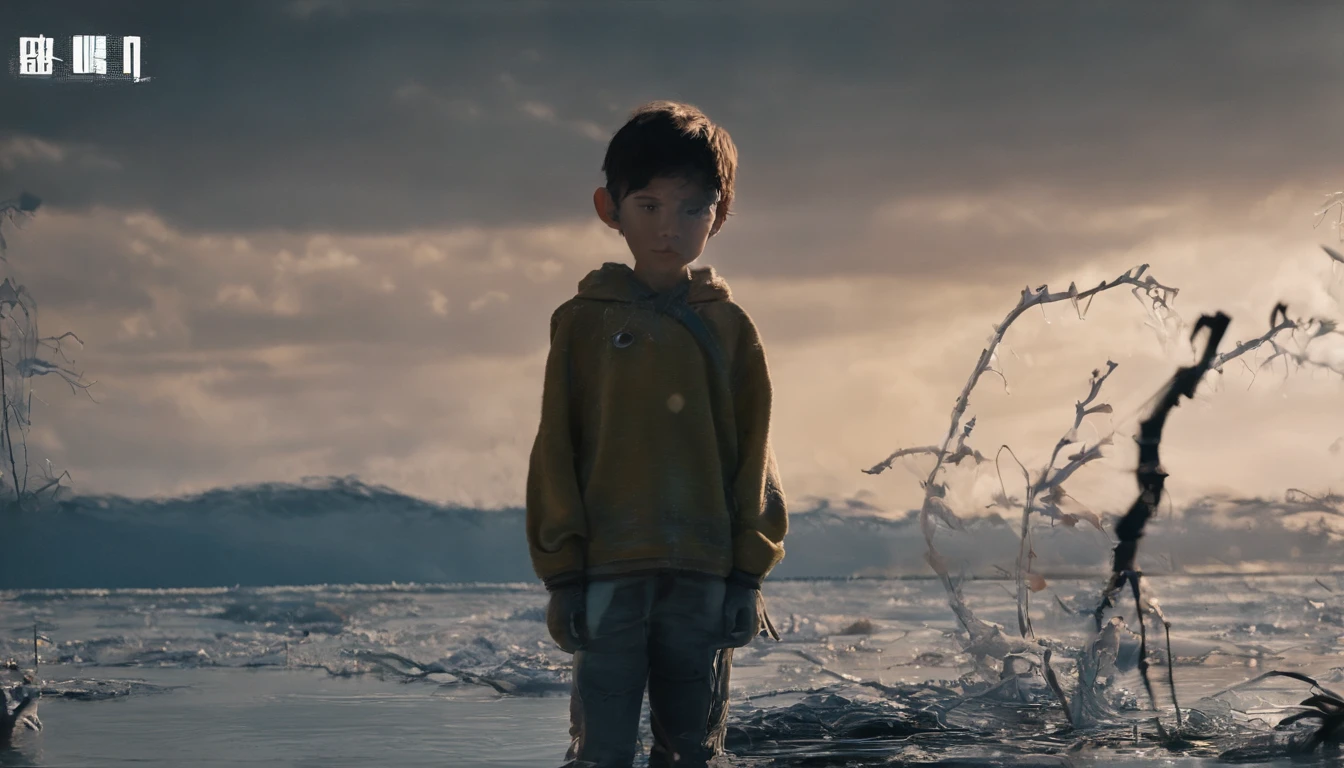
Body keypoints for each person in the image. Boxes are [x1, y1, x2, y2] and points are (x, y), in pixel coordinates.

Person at [525, 99, 788, 768]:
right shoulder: (582, 323)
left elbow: (754, 453)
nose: (669, 227)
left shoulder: (730, 328)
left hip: (703, 570)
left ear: (719, 213)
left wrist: (746, 573)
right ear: (609, 207)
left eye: (692, 208)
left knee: (692, 748)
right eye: (648, 205)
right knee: (601, 748)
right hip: (609, 568)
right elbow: (558, 446)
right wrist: (562, 574)